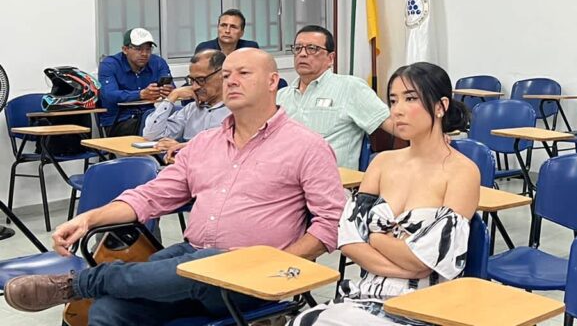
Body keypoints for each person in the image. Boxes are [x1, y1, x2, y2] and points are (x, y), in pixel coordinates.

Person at [4, 49, 345, 326]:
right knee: (109, 311)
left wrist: (279, 263)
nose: (231, 81)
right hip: (190, 259)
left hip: (254, 273)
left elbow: (330, 223)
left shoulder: (306, 146)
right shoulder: (204, 143)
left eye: (244, 73)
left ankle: (80, 283)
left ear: (272, 82)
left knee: (208, 262)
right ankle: (93, 285)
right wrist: (89, 219)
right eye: (227, 75)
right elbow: (150, 196)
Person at [291, 62, 479, 326]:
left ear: (440, 106)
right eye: (393, 100)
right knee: (304, 321)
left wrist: (375, 238)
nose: (397, 110)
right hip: (365, 294)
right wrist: (403, 261)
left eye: (410, 99)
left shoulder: (462, 171)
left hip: (425, 304)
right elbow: (349, 238)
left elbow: (428, 260)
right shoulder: (382, 162)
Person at [277, 25, 394, 169]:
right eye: (298, 48)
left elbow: (393, 125)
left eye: (312, 48)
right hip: (285, 178)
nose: (302, 54)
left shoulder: (350, 87)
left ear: (330, 58)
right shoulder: (281, 96)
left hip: (332, 179)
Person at [141, 50, 230, 160]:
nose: (195, 87)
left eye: (201, 80)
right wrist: (172, 97)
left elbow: (229, 149)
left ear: (223, 75)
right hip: (185, 167)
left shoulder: (237, 111)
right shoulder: (191, 109)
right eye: (192, 80)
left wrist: (185, 148)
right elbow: (151, 135)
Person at [97, 28, 173, 135]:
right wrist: (140, 94)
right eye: (138, 49)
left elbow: (172, 87)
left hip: (150, 116)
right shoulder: (109, 64)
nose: (144, 54)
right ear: (125, 49)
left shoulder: (158, 62)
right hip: (120, 120)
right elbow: (109, 94)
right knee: (155, 128)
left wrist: (167, 91)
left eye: (148, 49)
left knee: (178, 121)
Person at [194, 9, 259, 55]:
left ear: (242, 33)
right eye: (223, 25)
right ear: (218, 28)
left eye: (233, 27)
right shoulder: (204, 49)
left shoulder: (250, 48)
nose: (227, 31)